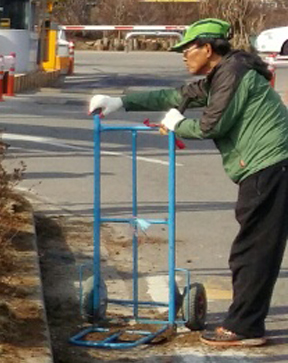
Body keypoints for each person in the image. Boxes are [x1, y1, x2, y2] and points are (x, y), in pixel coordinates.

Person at [89, 17, 288, 346]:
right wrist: (121, 102)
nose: (183, 55)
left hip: (270, 165)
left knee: (253, 251)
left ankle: (244, 327)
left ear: (207, 49)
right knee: (257, 248)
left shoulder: (232, 76)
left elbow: (212, 125)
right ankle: (247, 322)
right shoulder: (223, 74)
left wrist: (177, 125)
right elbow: (176, 95)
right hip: (270, 165)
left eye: (188, 49)